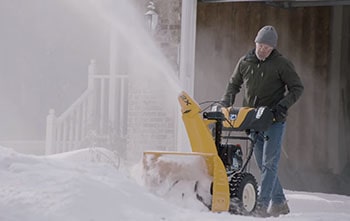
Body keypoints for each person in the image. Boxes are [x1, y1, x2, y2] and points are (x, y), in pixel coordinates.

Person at [221, 25, 304, 217]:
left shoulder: (282, 64)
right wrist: (226, 103)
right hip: (252, 120)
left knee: (269, 164)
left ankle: (261, 205)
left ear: (273, 48)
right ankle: (279, 202)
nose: (263, 50)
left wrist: (282, 106)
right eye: (260, 45)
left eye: (267, 47)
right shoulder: (245, 62)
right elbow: (233, 84)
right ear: (255, 42)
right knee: (262, 164)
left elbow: (297, 88)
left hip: (274, 120)